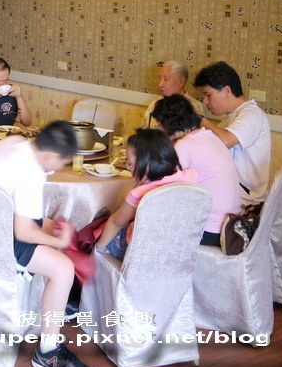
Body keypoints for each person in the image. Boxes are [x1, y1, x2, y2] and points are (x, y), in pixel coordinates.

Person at [0, 121, 93, 367]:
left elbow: (21, 214)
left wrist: (50, 229)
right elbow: (24, 232)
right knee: (63, 268)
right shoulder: (32, 171)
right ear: (52, 155)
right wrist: (60, 243)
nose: (58, 169)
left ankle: (54, 308)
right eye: (62, 163)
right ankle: (48, 352)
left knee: (49, 234)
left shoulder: (13, 143)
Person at [94, 128, 198, 260]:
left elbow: (116, 222)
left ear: (146, 163)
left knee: (103, 229)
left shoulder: (140, 194)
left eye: (130, 164)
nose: (129, 168)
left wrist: (99, 248)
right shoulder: (190, 176)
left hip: (141, 253)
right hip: (176, 251)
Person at [151, 95, 241, 247]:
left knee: (152, 220)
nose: (159, 130)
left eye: (159, 125)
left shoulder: (184, 145)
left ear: (168, 124)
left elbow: (164, 187)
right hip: (231, 226)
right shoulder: (208, 136)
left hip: (211, 230)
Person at [193, 61, 271, 205]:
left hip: (243, 201)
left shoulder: (252, 114)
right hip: (230, 194)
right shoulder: (232, 117)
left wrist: (199, 118)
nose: (205, 101)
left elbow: (225, 141)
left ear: (226, 91)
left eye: (208, 94)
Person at [141, 60, 205, 128]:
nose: (160, 84)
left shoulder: (194, 107)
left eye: (165, 79)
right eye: (159, 78)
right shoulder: (154, 104)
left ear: (181, 82)